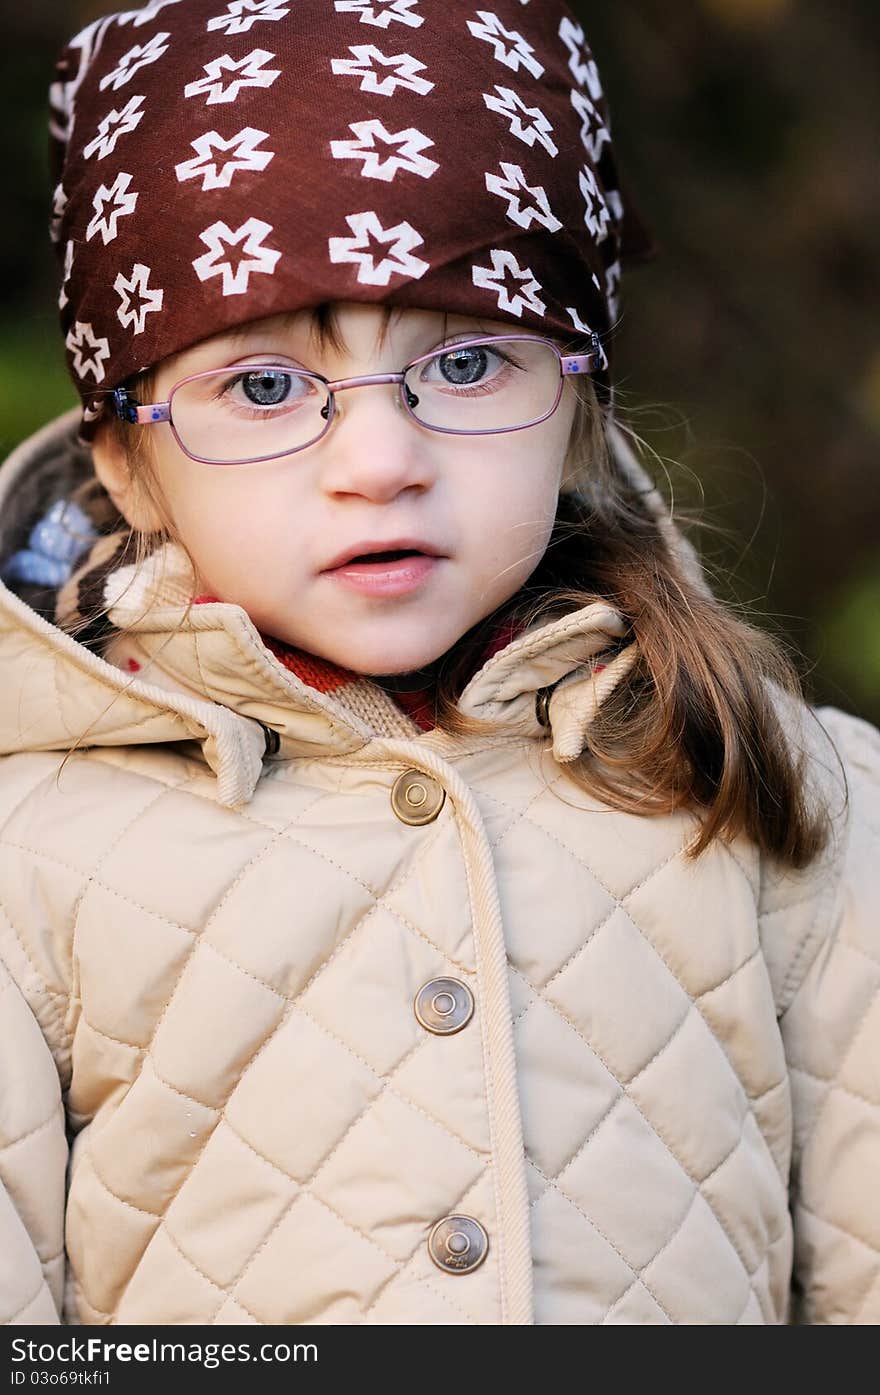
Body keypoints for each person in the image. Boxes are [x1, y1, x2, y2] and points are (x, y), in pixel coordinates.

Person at [0, 0, 877, 1328]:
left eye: (464, 362)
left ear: (577, 404)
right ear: (127, 457)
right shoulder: (30, 852)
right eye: (263, 387)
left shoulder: (796, 798)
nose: (378, 462)